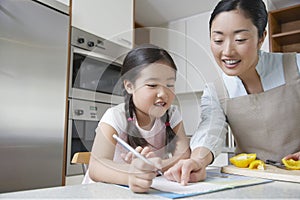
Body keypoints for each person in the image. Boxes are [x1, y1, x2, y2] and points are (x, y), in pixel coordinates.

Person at [164, 0, 300, 185]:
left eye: (240, 40)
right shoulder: (215, 90)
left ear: (261, 38)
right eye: (218, 40)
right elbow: (210, 129)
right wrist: (197, 160)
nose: (227, 51)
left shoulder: (295, 66)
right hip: (253, 181)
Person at [86, 44, 190, 193]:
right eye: (152, 85)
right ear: (129, 86)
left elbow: (183, 155)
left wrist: (154, 164)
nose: (163, 93)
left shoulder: (172, 114)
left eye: (170, 84)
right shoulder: (115, 116)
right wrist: (131, 173)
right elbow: (96, 167)